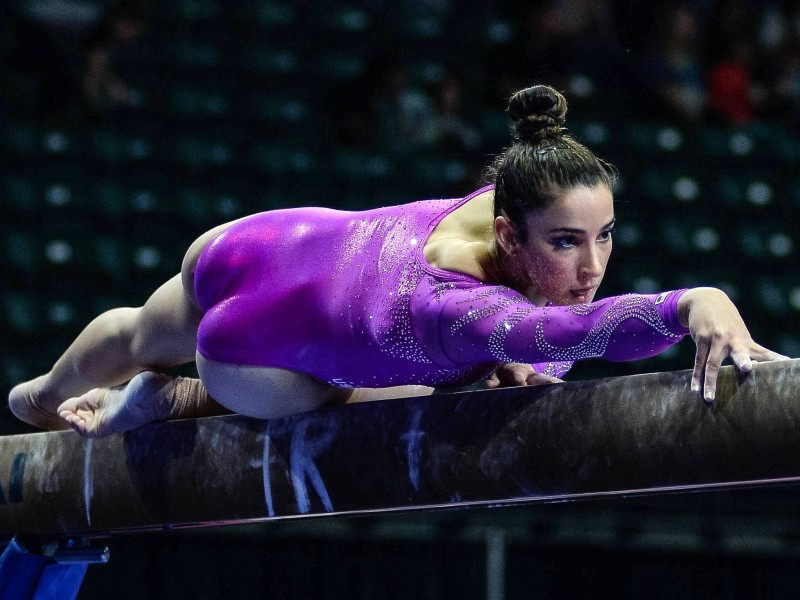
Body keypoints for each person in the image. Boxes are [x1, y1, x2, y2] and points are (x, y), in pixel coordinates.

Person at [8, 84, 787, 438]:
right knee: (420, 401)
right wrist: (692, 302)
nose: (592, 267)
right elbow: (582, 333)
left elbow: (555, 280)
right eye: (566, 242)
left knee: (141, 329)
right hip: (243, 357)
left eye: (605, 236)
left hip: (261, 242)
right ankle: (168, 401)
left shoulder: (507, 192)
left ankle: (39, 394)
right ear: (512, 234)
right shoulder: (463, 307)